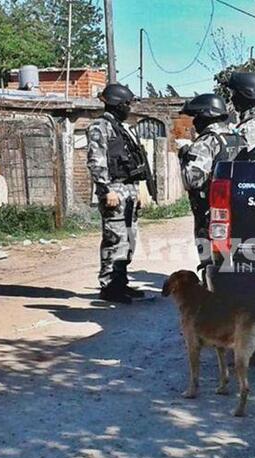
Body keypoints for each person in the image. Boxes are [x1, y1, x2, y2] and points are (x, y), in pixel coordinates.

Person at [87, 83, 152, 304]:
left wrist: (140, 190)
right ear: (117, 104)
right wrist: (106, 190)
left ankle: (120, 282)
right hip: (114, 189)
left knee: (129, 239)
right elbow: (96, 161)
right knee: (115, 239)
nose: (129, 108)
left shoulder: (122, 128)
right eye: (127, 104)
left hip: (129, 189)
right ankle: (109, 286)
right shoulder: (99, 127)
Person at [178, 94, 243, 276]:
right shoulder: (237, 138)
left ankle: (212, 288)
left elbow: (192, 179)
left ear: (205, 117)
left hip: (210, 209)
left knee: (211, 258)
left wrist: (184, 155)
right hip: (237, 206)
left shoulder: (207, 141)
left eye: (197, 117)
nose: (195, 122)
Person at [226, 72, 255, 152]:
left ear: (246, 94)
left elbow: (247, 158)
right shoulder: (254, 121)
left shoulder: (253, 126)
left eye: (235, 93)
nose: (232, 98)